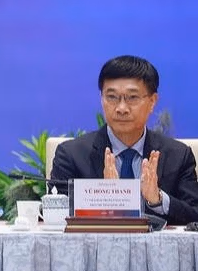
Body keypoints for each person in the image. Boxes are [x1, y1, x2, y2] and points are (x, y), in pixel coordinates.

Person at [51, 55, 198, 225]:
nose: (121, 108)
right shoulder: (71, 155)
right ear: (101, 99)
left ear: (152, 101)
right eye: (112, 97)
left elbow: (194, 213)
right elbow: (56, 216)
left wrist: (157, 200)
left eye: (132, 97)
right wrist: (105, 200)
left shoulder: (178, 156)